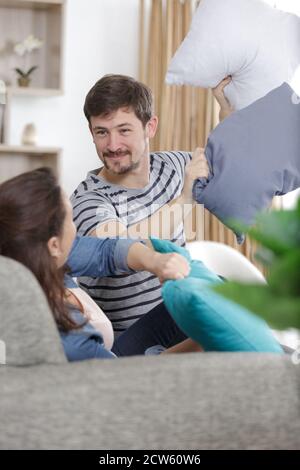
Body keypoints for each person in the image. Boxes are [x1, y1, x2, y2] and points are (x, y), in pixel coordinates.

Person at [70, 74, 233, 336]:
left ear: (150, 127)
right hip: (131, 339)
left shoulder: (172, 166)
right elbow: (119, 248)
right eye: (102, 132)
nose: (113, 145)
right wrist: (184, 200)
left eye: (124, 130)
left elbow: (223, 160)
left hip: (179, 318)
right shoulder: (89, 199)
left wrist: (225, 109)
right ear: (92, 133)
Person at [0, 167, 203, 361]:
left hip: (105, 359)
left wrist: (155, 260)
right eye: (71, 220)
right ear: (54, 245)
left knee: (197, 298)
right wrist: (201, 343)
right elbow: (122, 378)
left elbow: (104, 251)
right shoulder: (66, 340)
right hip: (111, 376)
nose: (76, 228)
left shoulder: (29, 254)